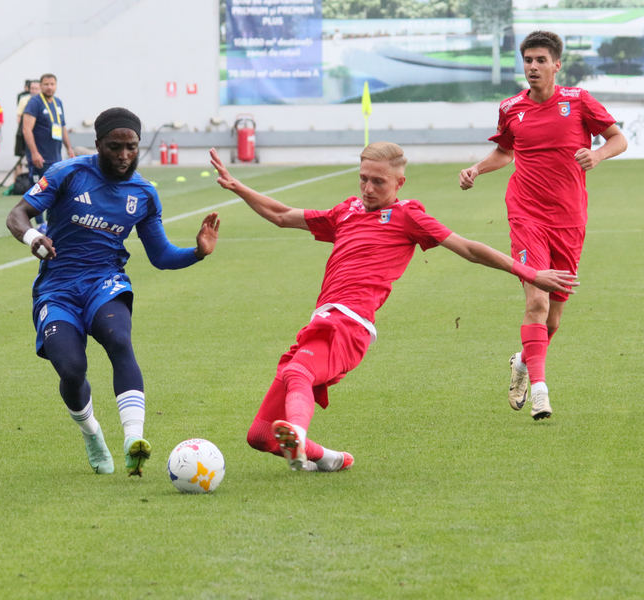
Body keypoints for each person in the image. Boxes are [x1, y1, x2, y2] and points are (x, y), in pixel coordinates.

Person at [210, 142, 577, 472]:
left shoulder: (409, 217)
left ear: (399, 183)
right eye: (363, 180)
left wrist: (531, 273)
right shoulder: (346, 212)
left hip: (350, 326)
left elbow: (467, 248)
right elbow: (281, 215)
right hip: (324, 318)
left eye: (378, 182)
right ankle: (327, 457)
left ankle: (298, 435)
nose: (368, 189)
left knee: (298, 374)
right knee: (259, 435)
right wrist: (238, 186)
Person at [6, 107, 220, 476]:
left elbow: (161, 256)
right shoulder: (67, 174)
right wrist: (33, 236)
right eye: (115, 147)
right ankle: (92, 433)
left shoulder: (145, 193)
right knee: (71, 370)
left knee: (119, 339)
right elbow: (17, 215)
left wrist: (197, 252)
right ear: (98, 144)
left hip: (105, 282)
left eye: (132, 147)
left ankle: (133, 439)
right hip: (57, 289)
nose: (124, 156)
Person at [458, 30, 627, 420]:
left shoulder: (579, 101)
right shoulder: (512, 107)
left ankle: (521, 361)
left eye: (540, 61)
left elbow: (618, 139)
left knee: (552, 318)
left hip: (569, 219)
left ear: (556, 65)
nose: (533, 67)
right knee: (536, 299)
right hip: (526, 213)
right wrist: (477, 169)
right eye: (528, 60)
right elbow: (505, 152)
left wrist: (597, 155)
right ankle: (540, 391)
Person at [22, 73, 75, 231]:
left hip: (56, 157)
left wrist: (69, 148)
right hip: (41, 156)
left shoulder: (58, 102)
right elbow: (26, 129)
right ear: (41, 85)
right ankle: (39, 224)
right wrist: (34, 153)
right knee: (40, 189)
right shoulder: (35, 102)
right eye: (46, 84)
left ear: (56, 85)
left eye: (52, 84)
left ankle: (53, 221)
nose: (49, 87)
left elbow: (62, 126)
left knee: (57, 190)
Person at [14, 80, 39, 177]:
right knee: (23, 157)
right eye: (32, 88)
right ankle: (19, 179)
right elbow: (19, 117)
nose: (33, 91)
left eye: (36, 89)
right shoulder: (24, 100)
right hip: (27, 134)